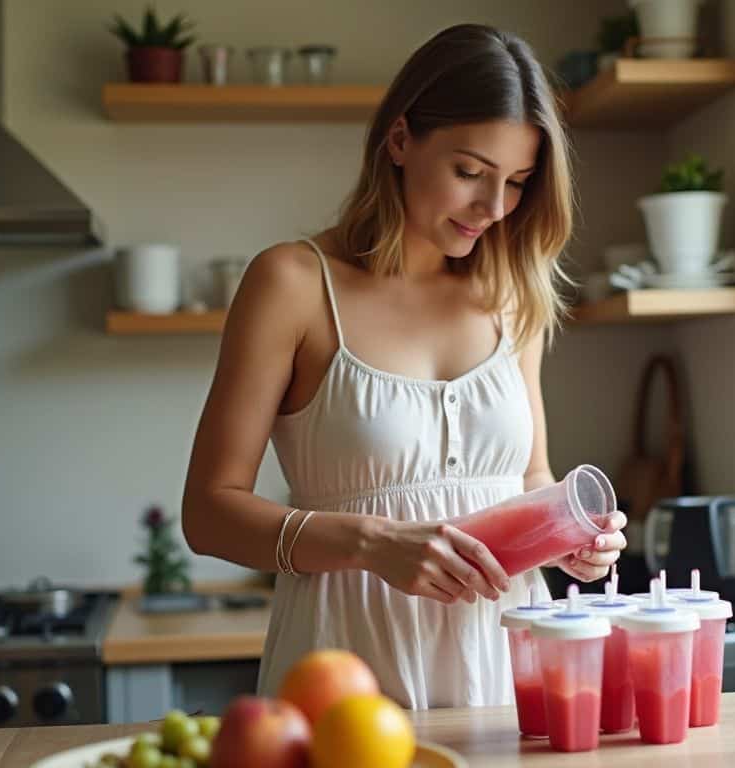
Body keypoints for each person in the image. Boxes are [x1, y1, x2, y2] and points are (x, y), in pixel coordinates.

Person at [181, 23, 627, 710]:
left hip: (501, 662)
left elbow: (529, 476)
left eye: (517, 182)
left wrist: (570, 536)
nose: (494, 207)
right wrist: (369, 543)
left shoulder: (512, 293)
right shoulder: (293, 283)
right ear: (398, 141)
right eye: (470, 173)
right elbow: (208, 513)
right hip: (347, 664)